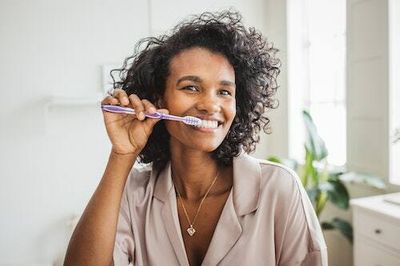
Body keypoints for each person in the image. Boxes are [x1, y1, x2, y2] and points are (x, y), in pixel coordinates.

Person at [64, 10, 327, 266]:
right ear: (159, 98)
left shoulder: (279, 189)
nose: (210, 105)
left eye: (224, 92)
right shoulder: (134, 193)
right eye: (191, 87)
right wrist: (122, 154)